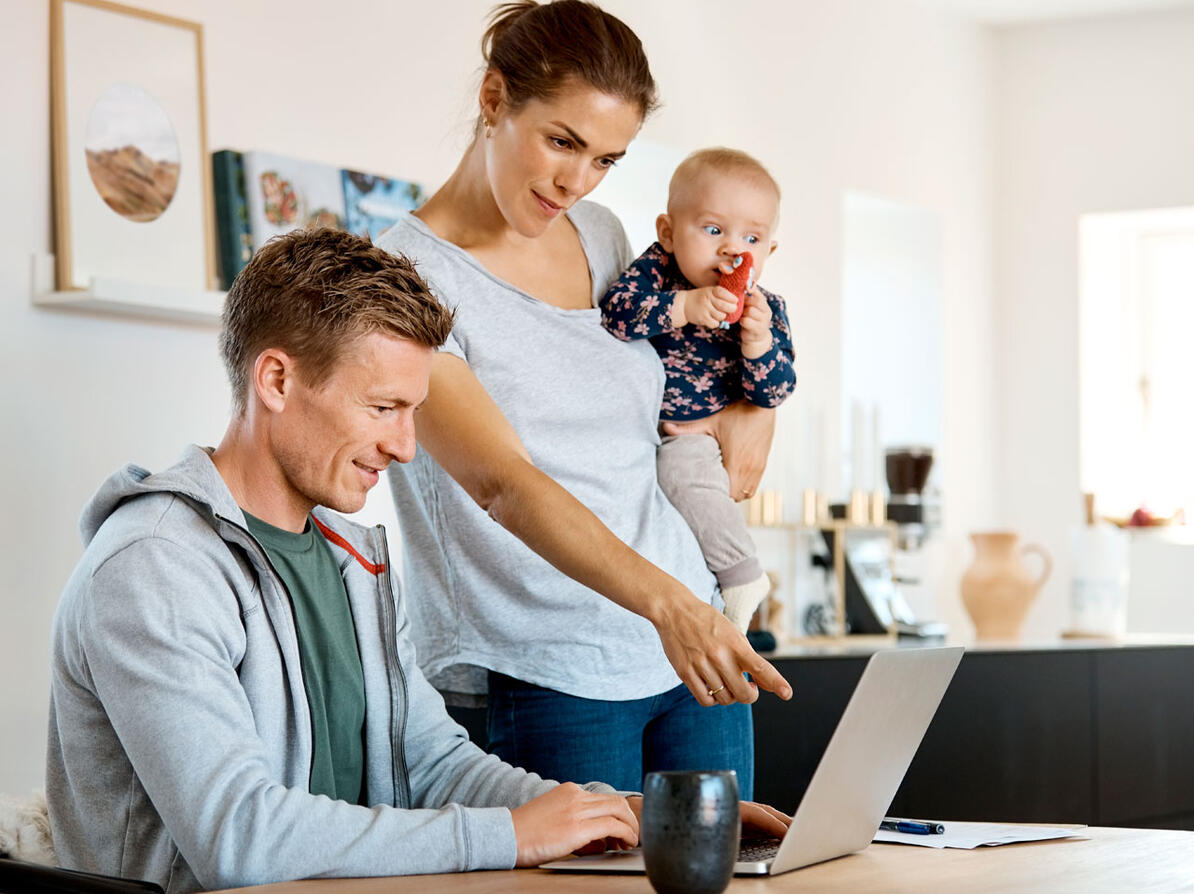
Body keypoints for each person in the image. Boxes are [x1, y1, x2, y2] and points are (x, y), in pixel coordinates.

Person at [46, 228, 697, 892]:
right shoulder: (153, 566)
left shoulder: (352, 558)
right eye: (383, 408)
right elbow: (239, 837)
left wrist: (611, 811)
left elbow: (434, 765)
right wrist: (510, 835)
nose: (407, 447)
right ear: (275, 379)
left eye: (411, 411)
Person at [376, 0, 791, 799]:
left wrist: (758, 407)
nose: (576, 180)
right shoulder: (403, 277)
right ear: (494, 99)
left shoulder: (598, 233)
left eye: (606, 158)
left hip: (687, 647)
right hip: (544, 665)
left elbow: (693, 351)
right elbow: (502, 482)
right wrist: (671, 607)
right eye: (562, 142)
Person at [600, 148, 796, 633]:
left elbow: (774, 392)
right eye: (713, 231)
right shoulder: (657, 275)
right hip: (634, 431)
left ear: (769, 251)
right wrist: (683, 307)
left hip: (697, 439)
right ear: (667, 232)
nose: (733, 250)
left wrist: (758, 343)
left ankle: (742, 573)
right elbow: (617, 315)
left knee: (684, 477)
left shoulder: (764, 309)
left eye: (752, 238)